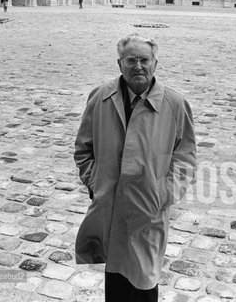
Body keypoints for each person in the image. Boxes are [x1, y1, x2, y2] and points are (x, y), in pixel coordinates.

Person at [74, 34, 196, 302]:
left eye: (144, 60)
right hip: (110, 208)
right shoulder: (100, 97)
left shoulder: (175, 104)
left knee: (144, 281)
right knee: (115, 277)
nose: (138, 66)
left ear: (155, 63)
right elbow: (83, 148)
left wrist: (163, 194)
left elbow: (186, 157)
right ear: (120, 64)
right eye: (131, 60)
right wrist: (96, 183)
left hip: (148, 211)